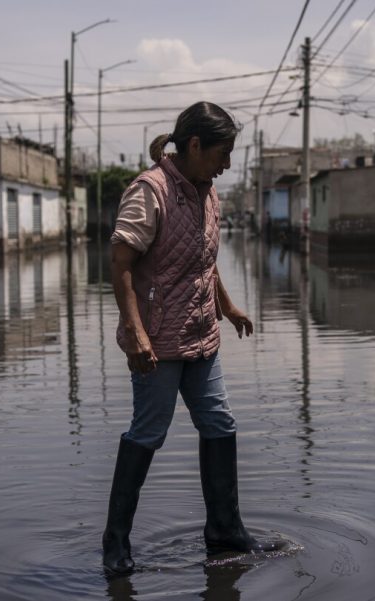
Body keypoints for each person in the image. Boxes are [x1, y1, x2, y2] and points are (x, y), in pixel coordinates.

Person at [102, 101, 281, 577]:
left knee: (220, 423)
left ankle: (225, 530)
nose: (226, 165)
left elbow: (203, 259)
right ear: (195, 145)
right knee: (148, 432)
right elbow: (120, 263)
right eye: (222, 154)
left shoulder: (208, 192)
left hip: (202, 334)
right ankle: (115, 542)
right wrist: (136, 332)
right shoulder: (149, 191)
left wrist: (228, 306)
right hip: (157, 342)